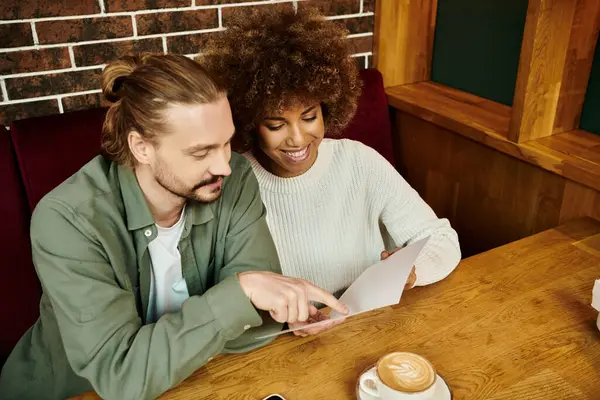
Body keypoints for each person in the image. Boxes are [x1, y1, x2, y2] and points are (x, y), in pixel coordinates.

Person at [0, 54, 348, 400]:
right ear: (141, 147)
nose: (224, 165)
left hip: (192, 380)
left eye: (226, 142)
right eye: (201, 153)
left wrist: (253, 304)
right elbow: (121, 376)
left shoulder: (234, 178)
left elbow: (258, 324)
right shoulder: (68, 219)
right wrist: (239, 294)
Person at [200, 7, 461, 336]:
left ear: (327, 108)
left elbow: (442, 240)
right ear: (251, 123)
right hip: (282, 344)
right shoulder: (235, 183)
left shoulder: (358, 162)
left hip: (370, 328)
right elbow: (225, 294)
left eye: (309, 117)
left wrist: (411, 270)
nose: (297, 138)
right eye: (276, 124)